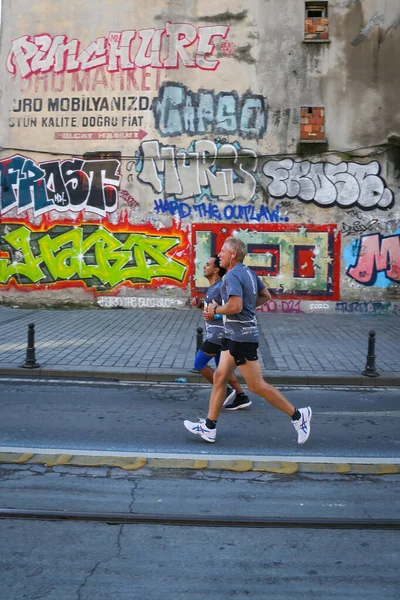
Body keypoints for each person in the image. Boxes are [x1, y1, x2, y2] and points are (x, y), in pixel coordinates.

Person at [184, 237, 312, 444]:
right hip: (232, 335)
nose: (221, 255)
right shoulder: (249, 273)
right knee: (219, 377)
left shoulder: (231, 276)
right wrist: (246, 308)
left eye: (224, 251)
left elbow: (235, 307)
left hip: (241, 338)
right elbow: (265, 296)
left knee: (256, 386)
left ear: (233, 255)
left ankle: (298, 416)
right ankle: (209, 427)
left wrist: (215, 310)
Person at [191, 255, 251, 410]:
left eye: (207, 264)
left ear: (216, 270)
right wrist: (200, 305)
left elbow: (232, 309)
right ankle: (241, 396)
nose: (204, 267)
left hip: (218, 335)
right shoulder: (214, 287)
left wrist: (215, 314)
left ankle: (225, 391)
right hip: (220, 334)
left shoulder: (220, 287)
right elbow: (213, 309)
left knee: (199, 363)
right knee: (222, 368)